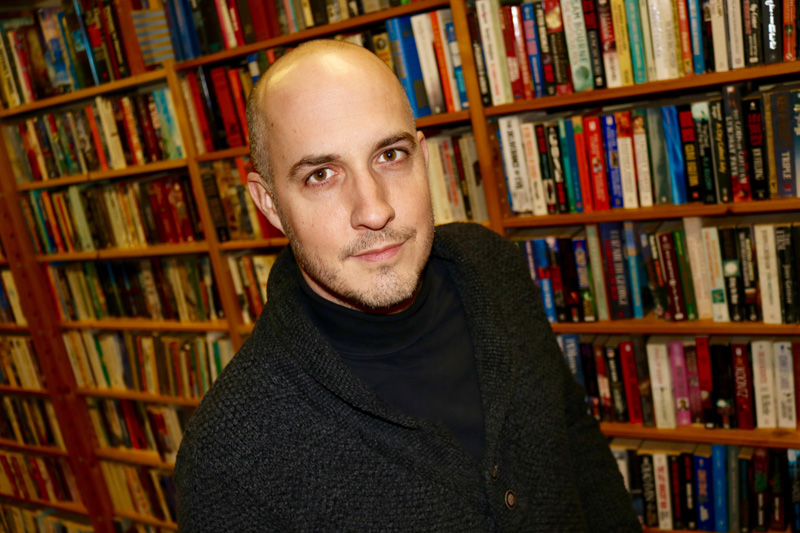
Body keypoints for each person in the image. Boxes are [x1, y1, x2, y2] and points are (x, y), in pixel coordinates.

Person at [175, 39, 641, 532]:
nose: (375, 210)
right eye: (321, 174)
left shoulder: (492, 267)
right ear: (269, 202)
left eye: (390, 154)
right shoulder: (228, 461)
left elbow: (574, 443)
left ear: (423, 157)